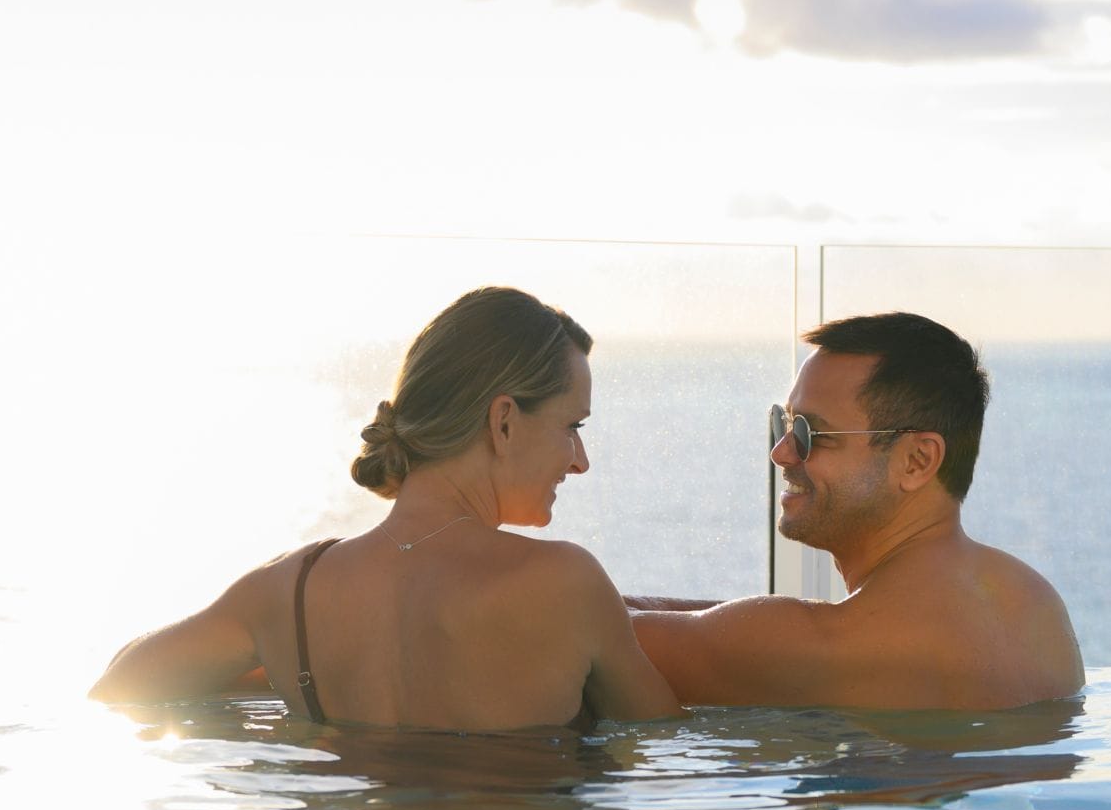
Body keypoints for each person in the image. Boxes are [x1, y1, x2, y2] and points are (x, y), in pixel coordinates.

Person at [89, 286, 680, 730]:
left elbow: (120, 685)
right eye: (571, 426)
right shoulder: (564, 582)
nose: (579, 460)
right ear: (503, 421)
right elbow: (659, 744)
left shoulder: (285, 592)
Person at [627, 312, 1083, 710]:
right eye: (782, 424)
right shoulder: (1030, 599)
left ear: (917, 461)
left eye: (810, 432)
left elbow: (576, 633)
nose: (782, 453)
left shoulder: (841, 645)